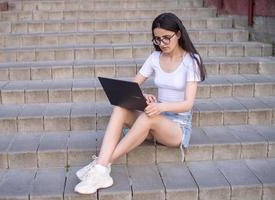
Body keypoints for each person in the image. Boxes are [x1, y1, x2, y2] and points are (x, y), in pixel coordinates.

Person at [74, 12, 206, 194]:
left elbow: (188, 104)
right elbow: (132, 86)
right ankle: (101, 170)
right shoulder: (155, 58)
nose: (162, 44)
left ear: (179, 34)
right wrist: (143, 95)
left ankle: (100, 165)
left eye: (167, 38)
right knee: (121, 107)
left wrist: (161, 106)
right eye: (157, 39)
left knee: (149, 116)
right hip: (156, 117)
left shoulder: (191, 61)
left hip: (178, 128)